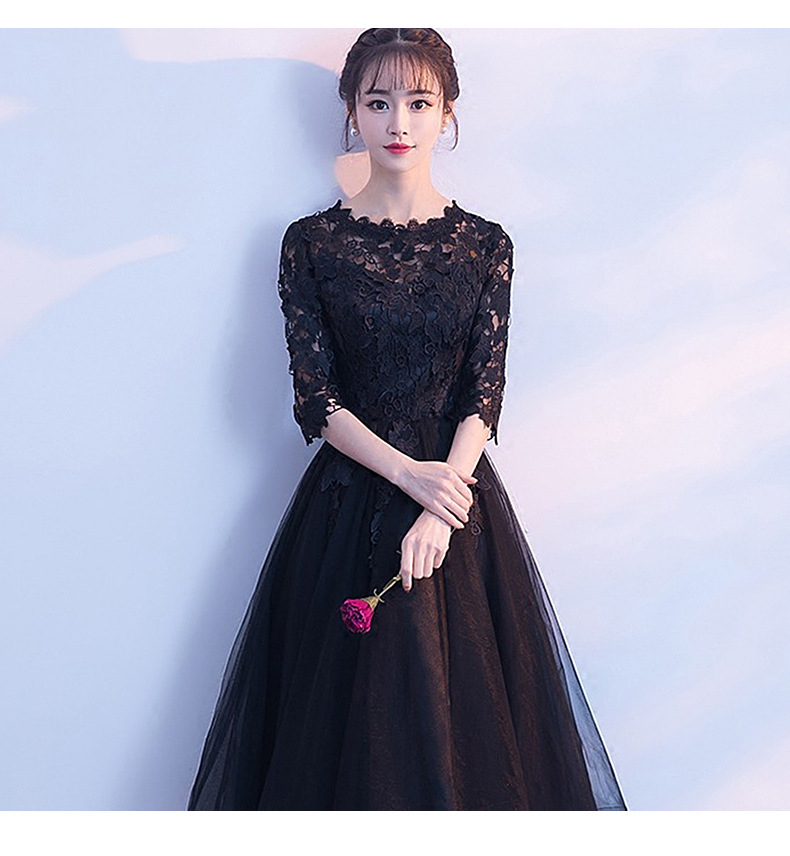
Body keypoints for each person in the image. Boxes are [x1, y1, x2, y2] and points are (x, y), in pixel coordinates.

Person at [187, 27, 628, 811]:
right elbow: (315, 398)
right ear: (351, 111)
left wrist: (442, 501)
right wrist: (409, 477)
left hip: (459, 508)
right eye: (379, 101)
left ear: (447, 112)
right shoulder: (311, 244)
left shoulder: (485, 244)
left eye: (419, 103)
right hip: (348, 507)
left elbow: (484, 391)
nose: (398, 122)